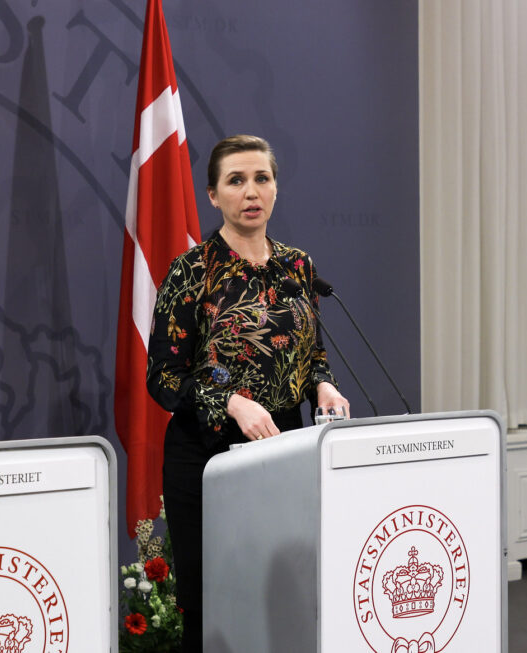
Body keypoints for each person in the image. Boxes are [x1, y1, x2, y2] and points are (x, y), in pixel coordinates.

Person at [145, 134, 350, 650]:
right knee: (215, 604)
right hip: (208, 459)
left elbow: (311, 352)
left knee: (284, 596)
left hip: (284, 450)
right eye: (236, 181)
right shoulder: (192, 270)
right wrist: (232, 401)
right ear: (213, 195)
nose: (251, 191)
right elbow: (164, 376)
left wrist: (323, 383)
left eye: (262, 178)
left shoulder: (298, 266)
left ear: (276, 188)